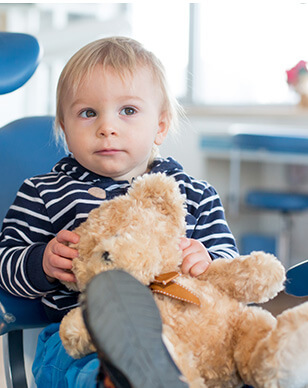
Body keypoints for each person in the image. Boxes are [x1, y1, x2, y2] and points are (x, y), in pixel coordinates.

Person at [0, 36, 238, 388]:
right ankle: (123, 377)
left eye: (127, 110)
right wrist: (43, 263)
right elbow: (5, 264)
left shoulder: (193, 194)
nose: (106, 127)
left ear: (160, 125)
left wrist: (205, 259)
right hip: (81, 336)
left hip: (182, 333)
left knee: (233, 355)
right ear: (64, 128)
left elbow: (230, 267)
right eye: (88, 113)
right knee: (82, 365)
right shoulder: (43, 193)